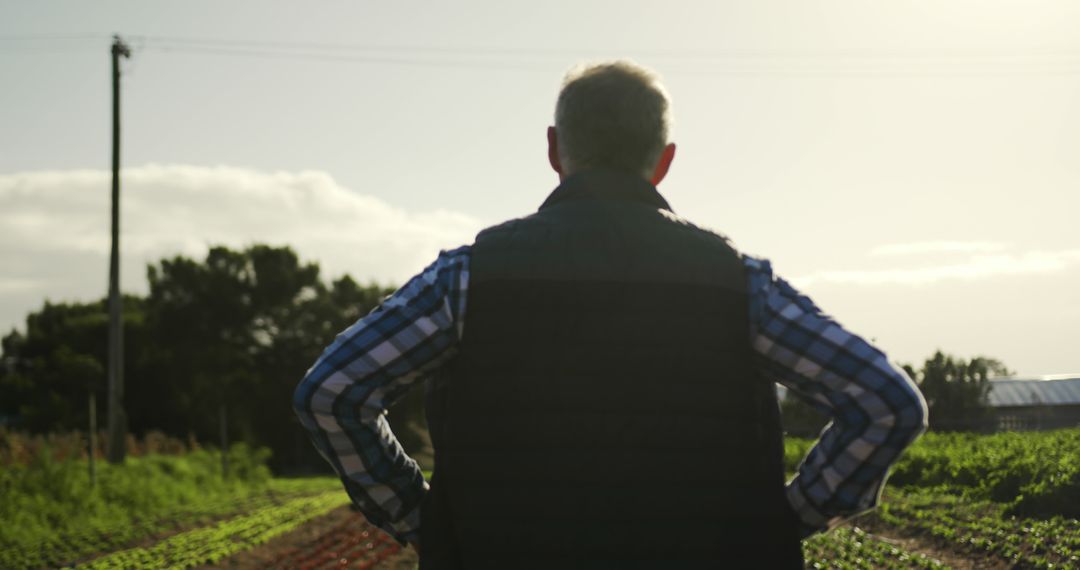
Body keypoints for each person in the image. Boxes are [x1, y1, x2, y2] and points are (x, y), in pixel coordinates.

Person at [293, 60, 928, 569]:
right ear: (665, 159)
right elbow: (885, 402)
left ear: (553, 149)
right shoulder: (739, 283)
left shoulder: (466, 278)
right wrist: (785, 520)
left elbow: (332, 392)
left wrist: (421, 519)